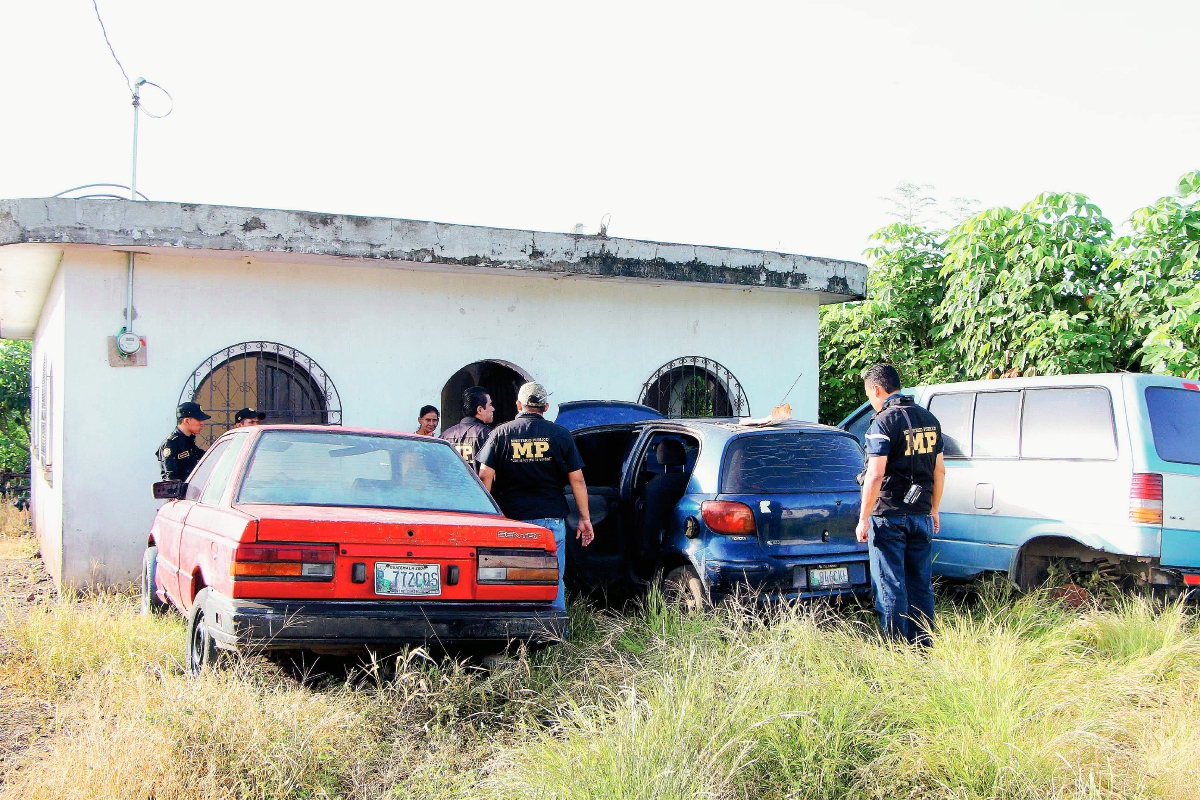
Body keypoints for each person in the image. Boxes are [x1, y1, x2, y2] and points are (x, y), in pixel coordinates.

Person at [477, 381, 594, 614]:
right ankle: (555, 633)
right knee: (554, 578)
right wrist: (585, 518)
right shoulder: (560, 435)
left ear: (519, 404)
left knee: (509, 577)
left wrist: (486, 516)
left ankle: (514, 633)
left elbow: (485, 476)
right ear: (546, 407)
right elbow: (578, 480)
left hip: (512, 519)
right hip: (550, 519)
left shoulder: (501, 433)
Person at [855, 364, 945, 646]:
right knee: (920, 584)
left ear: (876, 389)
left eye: (869, 394)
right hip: (921, 515)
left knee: (890, 585)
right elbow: (939, 470)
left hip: (889, 517)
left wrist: (863, 517)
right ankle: (923, 647)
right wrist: (934, 509)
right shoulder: (930, 419)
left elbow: (876, 474)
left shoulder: (882, 423)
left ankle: (895, 651)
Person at [441, 386, 494, 472]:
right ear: (480, 410)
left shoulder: (445, 435)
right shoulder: (489, 435)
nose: (493, 409)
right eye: (490, 405)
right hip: (478, 485)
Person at [157, 401, 211, 481]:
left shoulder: (188, 442)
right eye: (199, 420)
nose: (202, 423)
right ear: (187, 421)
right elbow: (171, 479)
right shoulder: (171, 444)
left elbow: (206, 457)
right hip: (181, 492)